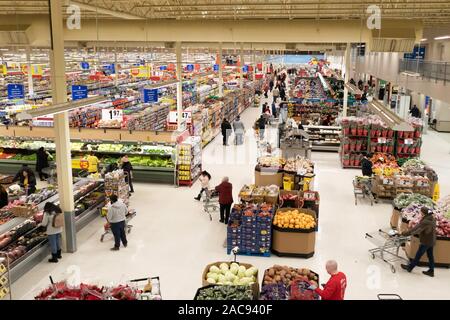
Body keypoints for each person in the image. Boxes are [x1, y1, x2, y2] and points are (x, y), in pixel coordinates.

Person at [401, 207, 436, 277]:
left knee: (418, 255)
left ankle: (410, 267)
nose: (420, 213)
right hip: (431, 240)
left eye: (421, 212)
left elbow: (416, 230)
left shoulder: (425, 221)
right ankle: (431, 271)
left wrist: (404, 233)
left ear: (423, 213)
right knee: (430, 256)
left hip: (426, 241)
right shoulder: (432, 218)